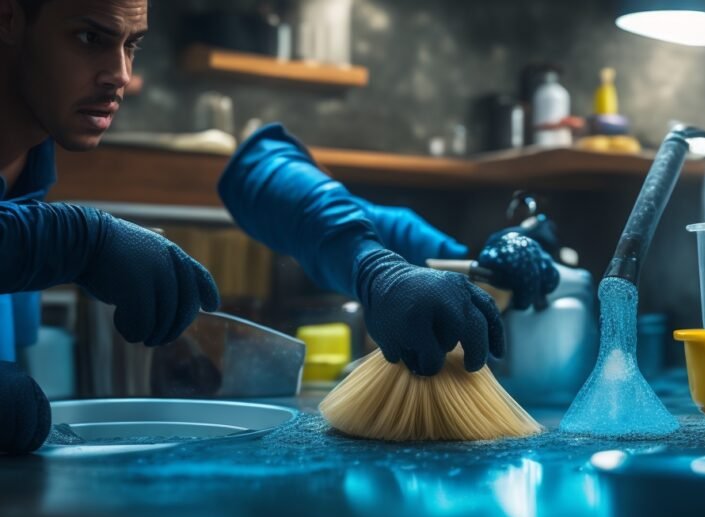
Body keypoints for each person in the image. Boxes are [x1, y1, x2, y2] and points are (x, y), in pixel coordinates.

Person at [0, 0, 220, 453]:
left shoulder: (31, 167)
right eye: (90, 38)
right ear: (9, 18)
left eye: (132, 45)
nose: (119, 74)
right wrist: (82, 241)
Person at [219, 124, 559, 378]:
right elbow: (258, 165)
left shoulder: (399, 230)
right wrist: (377, 269)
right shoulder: (340, 215)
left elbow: (449, 261)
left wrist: (496, 263)